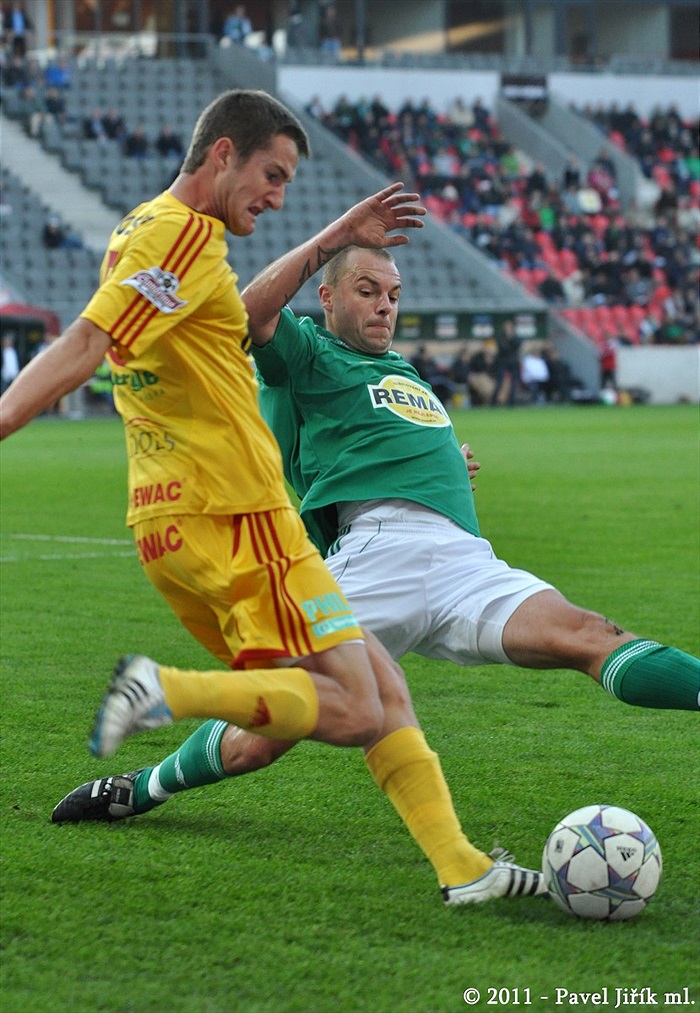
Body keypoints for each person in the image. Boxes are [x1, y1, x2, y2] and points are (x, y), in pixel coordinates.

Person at [0, 88, 541, 907]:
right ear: (223, 153)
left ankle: (463, 868)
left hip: (187, 520)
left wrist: (335, 236)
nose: (278, 195)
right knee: (359, 708)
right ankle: (166, 690)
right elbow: (86, 342)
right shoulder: (181, 233)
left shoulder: (144, 231)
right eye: (271, 173)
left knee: (378, 686)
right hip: (238, 518)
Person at [51, 241, 699, 890]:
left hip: (463, 561)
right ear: (328, 297)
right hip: (371, 554)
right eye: (367, 290)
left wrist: (447, 461)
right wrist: (336, 239)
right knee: (261, 739)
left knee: (590, 634)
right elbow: (253, 314)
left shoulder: (403, 373)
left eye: (392, 295)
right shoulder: (305, 353)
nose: (384, 305)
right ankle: (141, 786)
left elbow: (383, 437)